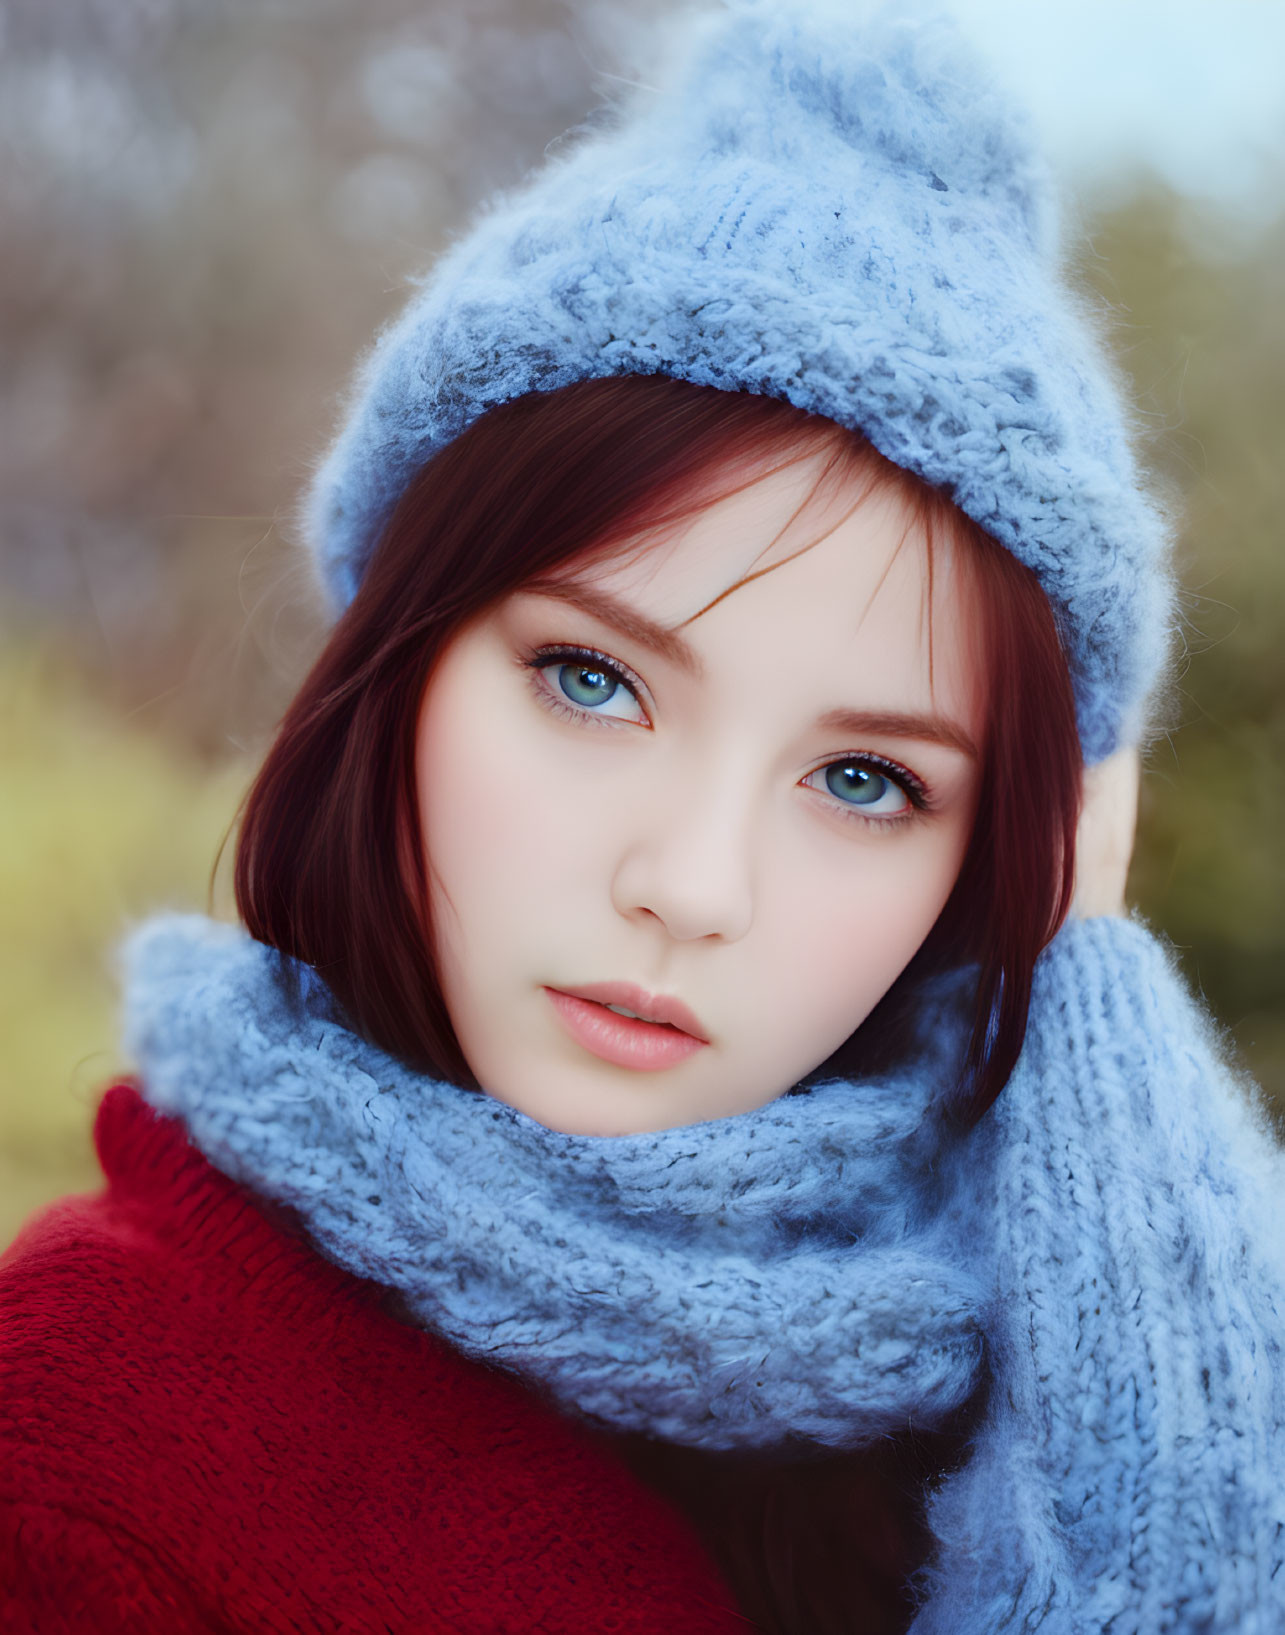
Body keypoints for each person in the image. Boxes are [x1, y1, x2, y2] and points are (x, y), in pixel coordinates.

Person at [2, 3, 1282, 1632]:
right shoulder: (81, 1443)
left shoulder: (1043, 1385)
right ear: (393, 659)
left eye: (865, 780)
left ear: (1004, 862)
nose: (689, 886)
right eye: (592, 682)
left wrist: (1092, 1008)